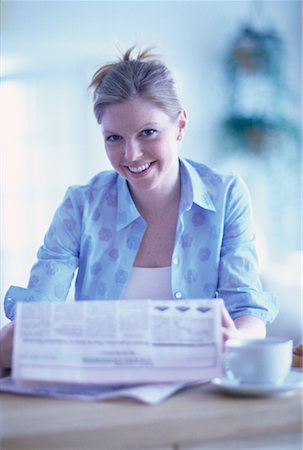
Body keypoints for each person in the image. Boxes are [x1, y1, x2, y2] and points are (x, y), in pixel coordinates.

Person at [0, 46, 278, 369]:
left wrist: (238, 343)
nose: (131, 155)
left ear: (180, 126)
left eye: (148, 132)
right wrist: (18, 340)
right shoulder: (81, 206)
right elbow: (39, 309)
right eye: (114, 138)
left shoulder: (226, 196)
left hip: (197, 386)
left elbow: (247, 309)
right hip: (102, 389)